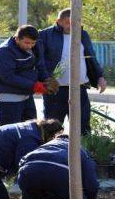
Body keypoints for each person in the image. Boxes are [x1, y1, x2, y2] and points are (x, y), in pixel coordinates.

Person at [38, 8, 107, 136]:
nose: (71, 26)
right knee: (52, 127)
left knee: (83, 126)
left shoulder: (83, 35)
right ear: (58, 21)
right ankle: (51, 153)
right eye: (67, 22)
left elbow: (91, 56)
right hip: (55, 90)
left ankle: (82, 154)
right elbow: (39, 61)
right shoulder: (45, 35)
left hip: (79, 88)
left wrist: (99, 77)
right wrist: (45, 79)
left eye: (74, 22)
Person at [17, 134, 99, 199]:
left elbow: (23, 163)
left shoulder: (43, 146)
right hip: (59, 172)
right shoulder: (80, 149)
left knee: (31, 195)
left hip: (27, 170)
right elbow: (92, 185)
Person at [0, 25, 51, 125]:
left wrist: (47, 80)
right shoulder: (4, 51)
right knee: (10, 130)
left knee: (32, 127)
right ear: (17, 39)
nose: (30, 46)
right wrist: (34, 85)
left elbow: (40, 64)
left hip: (26, 94)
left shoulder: (37, 45)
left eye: (32, 43)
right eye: (26, 43)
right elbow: (8, 77)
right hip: (7, 96)